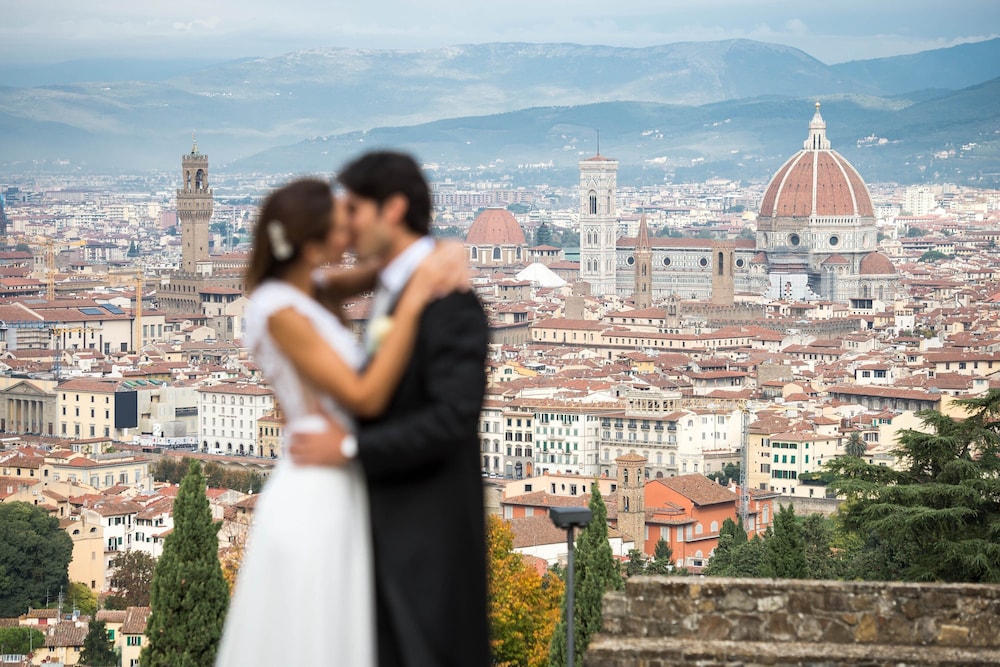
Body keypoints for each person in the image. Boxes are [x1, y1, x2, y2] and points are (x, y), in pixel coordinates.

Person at [215, 177, 465, 667]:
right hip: (317, 478)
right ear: (310, 244)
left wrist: (431, 251)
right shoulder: (280, 310)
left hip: (337, 468)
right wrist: (414, 306)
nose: (348, 234)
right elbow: (364, 396)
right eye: (337, 227)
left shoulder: (308, 289)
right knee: (317, 626)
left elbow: (379, 272)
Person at [290, 151, 491, 667]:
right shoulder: (397, 290)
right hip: (385, 526)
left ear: (394, 208)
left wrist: (351, 447)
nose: (344, 224)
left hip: (429, 534)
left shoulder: (452, 304)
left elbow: (452, 420)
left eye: (354, 210)